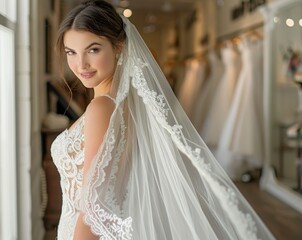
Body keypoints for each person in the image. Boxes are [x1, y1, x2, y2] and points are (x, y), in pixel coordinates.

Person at [51, 0, 275, 239]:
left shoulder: (101, 108)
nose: (80, 64)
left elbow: (92, 210)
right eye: (71, 52)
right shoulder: (120, 104)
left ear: (118, 47)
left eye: (93, 49)